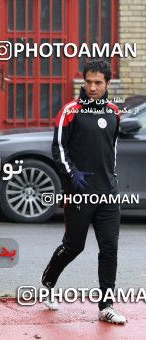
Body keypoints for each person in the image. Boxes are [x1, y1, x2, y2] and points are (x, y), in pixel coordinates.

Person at [41, 59, 126, 324]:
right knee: (73, 246)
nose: (92, 87)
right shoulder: (70, 110)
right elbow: (59, 148)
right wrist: (72, 175)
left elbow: (110, 149)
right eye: (88, 82)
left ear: (107, 84)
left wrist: (112, 178)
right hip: (80, 192)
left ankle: (106, 305)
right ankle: (48, 281)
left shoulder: (114, 112)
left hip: (108, 193)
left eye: (98, 83)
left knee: (109, 248)